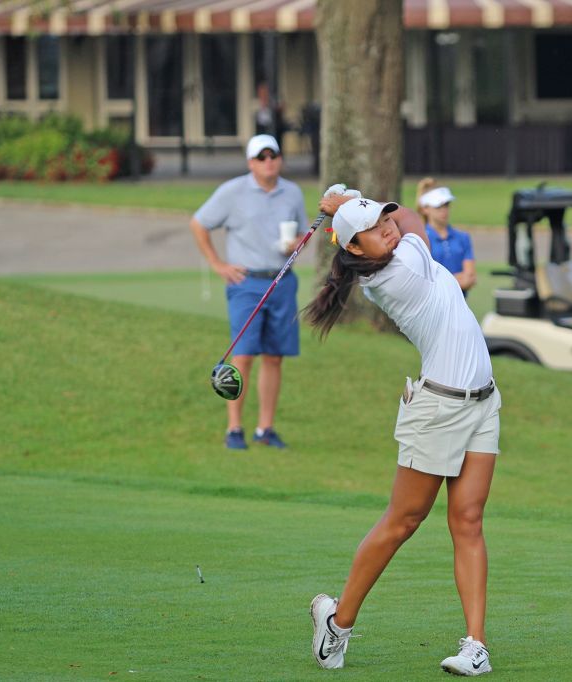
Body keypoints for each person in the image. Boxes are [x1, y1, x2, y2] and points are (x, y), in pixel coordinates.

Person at [303, 186, 502, 675]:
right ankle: (338, 623)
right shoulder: (400, 270)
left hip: (483, 401)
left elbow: (404, 215)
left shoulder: (394, 251)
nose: (386, 227)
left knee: (469, 522)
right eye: (372, 228)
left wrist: (350, 202)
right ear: (354, 247)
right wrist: (349, 200)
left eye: (383, 219)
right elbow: (413, 218)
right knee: (402, 521)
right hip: (437, 409)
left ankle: (475, 646)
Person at [189, 134, 308, 450]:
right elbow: (199, 223)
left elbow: (300, 231)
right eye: (262, 157)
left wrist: (296, 242)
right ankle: (234, 429)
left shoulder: (292, 192)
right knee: (242, 356)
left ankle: (265, 429)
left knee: (274, 357)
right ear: (251, 163)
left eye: (274, 156)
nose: (269, 162)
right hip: (246, 283)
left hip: (282, 280)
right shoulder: (233, 191)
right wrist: (218, 264)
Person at [416, 178, 476, 296]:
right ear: (425, 209)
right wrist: (457, 279)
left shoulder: (463, 237)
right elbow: (424, 283)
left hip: (460, 308)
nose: (444, 210)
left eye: (446, 205)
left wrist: (443, 282)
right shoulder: (420, 240)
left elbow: (470, 277)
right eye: (438, 206)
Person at [254, 81, 288, 149]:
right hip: (262, 127)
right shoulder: (257, 102)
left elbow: (281, 109)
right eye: (261, 91)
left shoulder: (273, 100)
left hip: (274, 127)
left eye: (264, 91)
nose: (263, 93)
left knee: (275, 145)